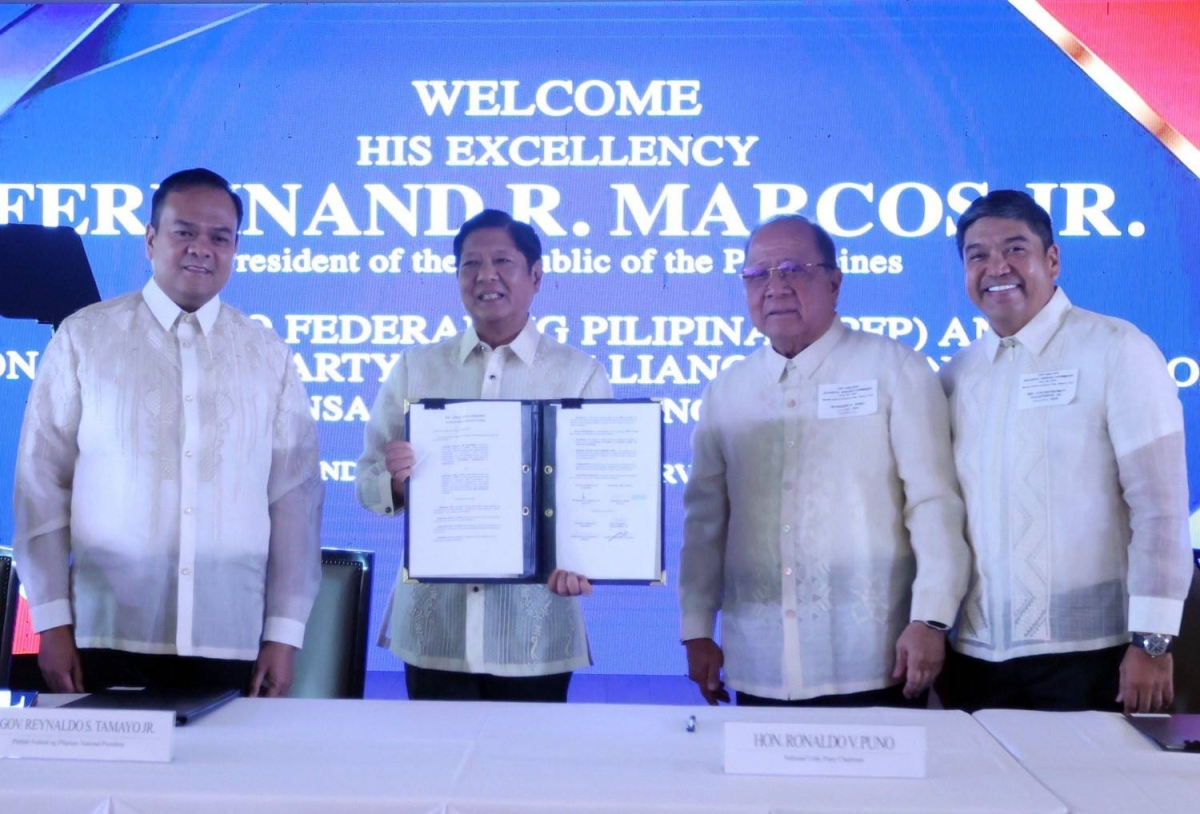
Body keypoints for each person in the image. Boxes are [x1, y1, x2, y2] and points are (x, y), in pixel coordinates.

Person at [13, 168, 323, 697]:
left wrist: (284, 634)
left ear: (235, 248)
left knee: (220, 782)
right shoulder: (84, 339)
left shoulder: (268, 355)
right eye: (184, 231)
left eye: (219, 237)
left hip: (230, 636)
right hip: (104, 631)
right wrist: (49, 621)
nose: (201, 247)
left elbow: (295, 503)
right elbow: (40, 489)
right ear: (151, 240)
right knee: (101, 782)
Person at [679, 215, 970, 707]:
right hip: (758, 664)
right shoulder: (725, 392)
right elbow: (705, 524)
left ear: (835, 283)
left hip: (875, 662)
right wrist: (696, 629)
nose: (775, 287)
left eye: (793, 269)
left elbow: (933, 503)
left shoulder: (894, 369)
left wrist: (930, 618)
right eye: (758, 275)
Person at [939, 189, 1193, 713]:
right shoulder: (959, 375)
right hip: (973, 662)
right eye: (977, 256)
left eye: (1015, 249)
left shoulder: (1117, 349)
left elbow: (1162, 511)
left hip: (1092, 657)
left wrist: (1152, 641)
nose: (996, 267)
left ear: (1052, 260)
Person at [357, 209, 609, 702]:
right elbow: (367, 477)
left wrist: (588, 555)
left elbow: (596, 495)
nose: (485, 276)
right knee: (434, 776)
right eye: (470, 264)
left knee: (529, 777)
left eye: (502, 262)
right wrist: (395, 482)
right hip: (435, 632)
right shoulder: (416, 366)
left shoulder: (579, 374)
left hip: (534, 634)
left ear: (535, 275)